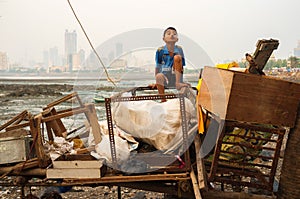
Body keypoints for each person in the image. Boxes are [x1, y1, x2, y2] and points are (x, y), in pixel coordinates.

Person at [154, 27, 190, 102]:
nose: (172, 35)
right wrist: (157, 82)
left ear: (177, 39)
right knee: (159, 76)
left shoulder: (179, 49)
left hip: (175, 76)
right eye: (169, 33)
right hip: (165, 77)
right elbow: (157, 67)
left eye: (174, 34)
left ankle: (178, 83)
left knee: (177, 57)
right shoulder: (160, 50)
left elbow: (181, 66)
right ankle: (163, 99)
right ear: (163, 39)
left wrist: (181, 80)